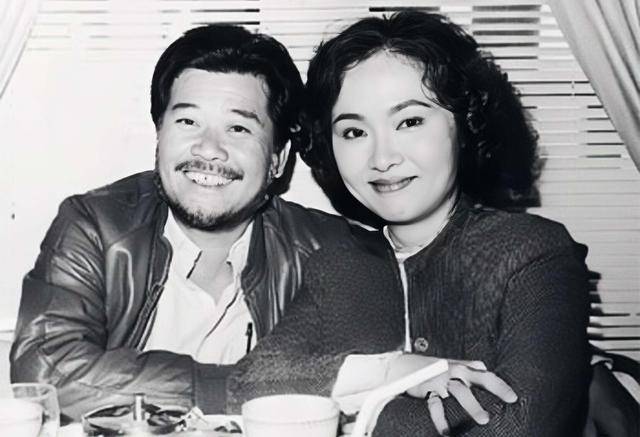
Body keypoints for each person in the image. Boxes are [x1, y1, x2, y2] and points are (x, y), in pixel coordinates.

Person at [226, 10, 593, 436]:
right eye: (353, 132)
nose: (382, 158)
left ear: (465, 124)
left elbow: (518, 425)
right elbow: (249, 384)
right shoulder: (338, 267)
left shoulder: (531, 251)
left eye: (410, 121)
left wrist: (354, 414)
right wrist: (396, 370)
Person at [8, 22, 395, 421]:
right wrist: (244, 388)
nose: (209, 149)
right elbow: (47, 371)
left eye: (238, 128)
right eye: (188, 122)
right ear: (159, 135)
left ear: (278, 159)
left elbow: (378, 384)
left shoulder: (329, 251)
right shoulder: (96, 228)